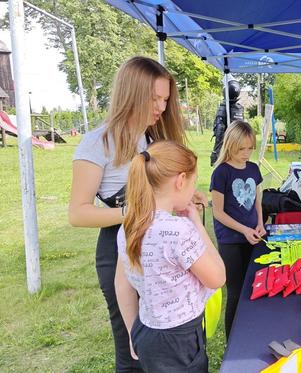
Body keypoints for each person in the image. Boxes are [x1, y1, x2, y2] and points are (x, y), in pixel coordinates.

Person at [68, 56, 205, 372]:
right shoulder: (96, 144)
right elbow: (78, 213)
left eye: (165, 99)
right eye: (153, 98)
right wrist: (137, 209)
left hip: (166, 251)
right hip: (121, 250)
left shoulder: (154, 139)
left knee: (173, 338)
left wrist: (182, 196)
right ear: (131, 93)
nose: (160, 107)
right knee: (133, 346)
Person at [115, 141, 226, 372]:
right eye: (193, 182)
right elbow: (217, 277)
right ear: (180, 180)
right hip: (180, 338)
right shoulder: (179, 231)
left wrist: (132, 330)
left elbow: (122, 283)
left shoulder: (128, 227)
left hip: (146, 331)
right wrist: (198, 224)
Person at [210, 120, 265, 340]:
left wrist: (260, 222)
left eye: (250, 148)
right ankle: (232, 340)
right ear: (230, 145)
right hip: (231, 240)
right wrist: (244, 229)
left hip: (254, 235)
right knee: (235, 291)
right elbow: (218, 212)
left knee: (254, 286)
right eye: (241, 148)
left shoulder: (253, 168)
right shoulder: (221, 173)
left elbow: (257, 200)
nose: (246, 153)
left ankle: (251, 331)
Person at [210, 77, 244, 166]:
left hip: (226, 150)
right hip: (239, 148)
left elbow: (219, 132)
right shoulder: (239, 108)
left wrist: (215, 153)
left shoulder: (223, 109)